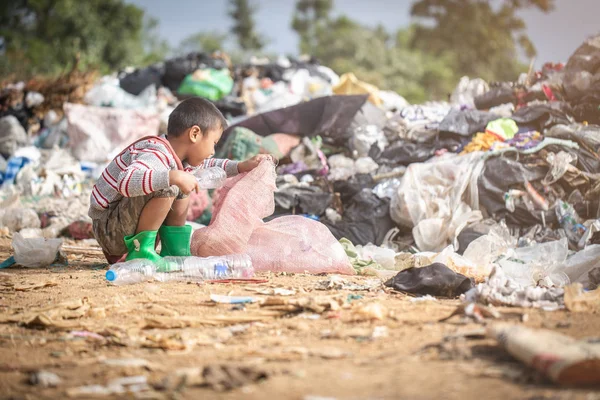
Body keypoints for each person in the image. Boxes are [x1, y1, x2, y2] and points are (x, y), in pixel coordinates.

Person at [88, 97, 271, 269]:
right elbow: (126, 181)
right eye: (213, 143)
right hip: (110, 230)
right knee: (172, 182)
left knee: (183, 179)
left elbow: (210, 164)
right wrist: (172, 176)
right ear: (194, 134)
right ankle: (141, 254)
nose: (213, 151)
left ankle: (174, 250)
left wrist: (240, 166)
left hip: (124, 227)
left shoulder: (180, 160)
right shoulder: (156, 152)